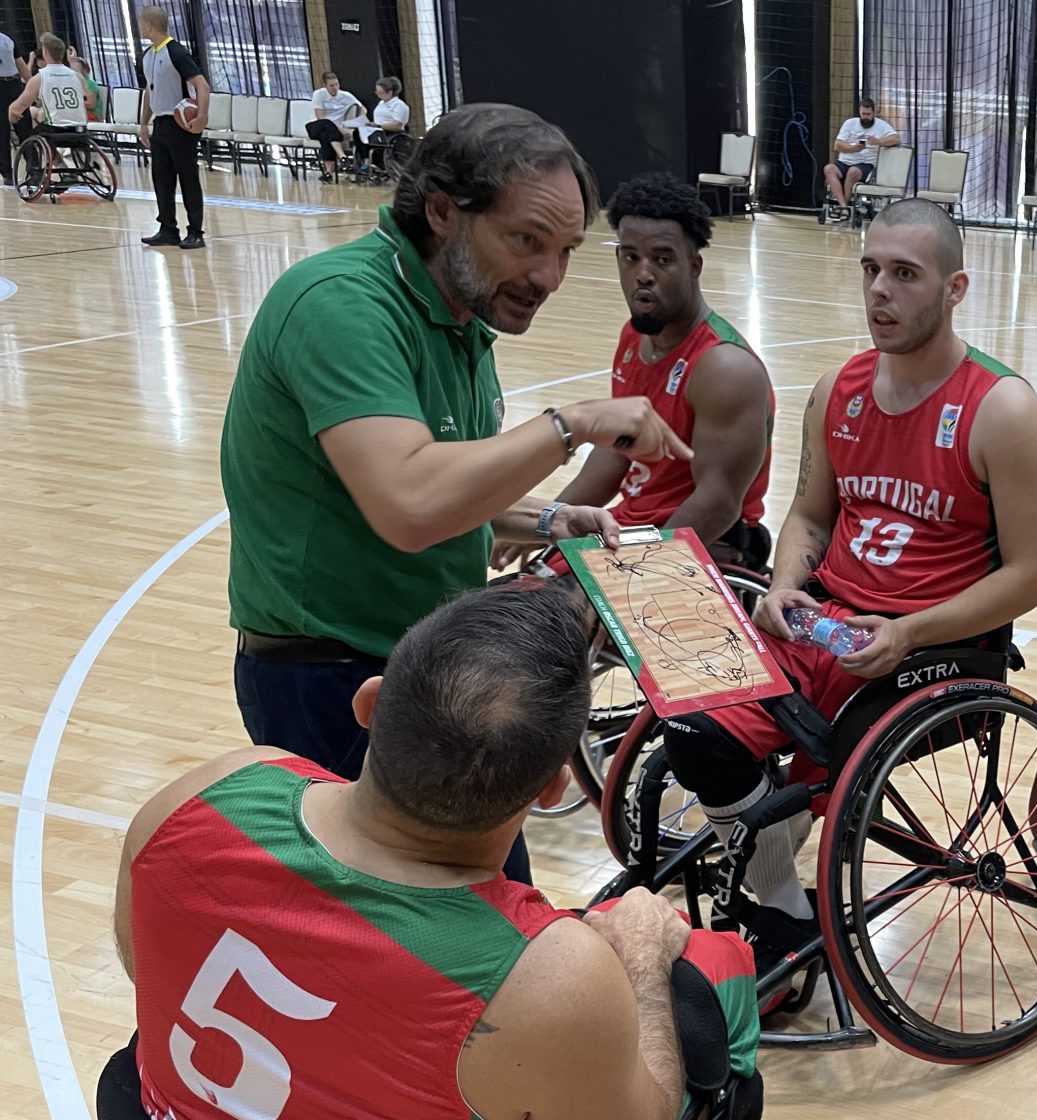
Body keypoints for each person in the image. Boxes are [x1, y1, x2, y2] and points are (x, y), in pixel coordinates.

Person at [114, 579, 762, 1120]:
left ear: (369, 703)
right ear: (553, 788)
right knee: (710, 968)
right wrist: (643, 962)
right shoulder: (546, 979)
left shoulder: (205, 792)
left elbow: (143, 970)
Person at [219, 102, 683, 884]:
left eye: (566, 251)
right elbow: (410, 504)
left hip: (423, 668)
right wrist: (572, 424)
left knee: (488, 905)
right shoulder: (341, 304)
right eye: (526, 241)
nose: (549, 277)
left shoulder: (460, 317)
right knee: (399, 924)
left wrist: (550, 518)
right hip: (328, 678)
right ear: (441, 211)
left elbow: (440, 481)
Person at [661, 198, 1037, 949]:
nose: (880, 290)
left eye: (905, 274)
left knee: (791, 767)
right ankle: (785, 903)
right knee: (690, 726)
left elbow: (1031, 575)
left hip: (927, 652)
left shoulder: (1004, 411)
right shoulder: (835, 390)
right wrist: (784, 584)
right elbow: (809, 516)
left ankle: (770, 879)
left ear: (955, 288)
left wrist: (909, 632)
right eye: (871, 270)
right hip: (826, 622)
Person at [545, 173, 774, 574]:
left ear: (694, 265)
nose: (643, 273)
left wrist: (638, 573)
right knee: (514, 593)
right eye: (630, 257)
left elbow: (718, 503)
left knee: (542, 607)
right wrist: (548, 520)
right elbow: (615, 453)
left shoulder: (724, 368)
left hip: (701, 543)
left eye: (662, 259)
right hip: (630, 529)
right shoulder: (633, 338)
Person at [136, 5, 208, 250]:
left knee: (188, 178)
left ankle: (196, 231)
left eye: (141, 22)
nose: (139, 27)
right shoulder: (147, 55)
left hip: (181, 125)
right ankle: (168, 229)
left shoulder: (176, 52)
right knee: (161, 179)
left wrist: (202, 116)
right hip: (160, 123)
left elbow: (202, 86)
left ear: (148, 25)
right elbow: (149, 91)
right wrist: (143, 123)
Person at [6, 34, 90, 150]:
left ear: (45, 53)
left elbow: (20, 106)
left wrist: (12, 115)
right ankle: (58, 159)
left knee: (30, 132)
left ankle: (51, 159)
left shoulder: (40, 78)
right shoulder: (78, 76)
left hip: (55, 129)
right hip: (80, 129)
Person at [822, 96, 897, 221]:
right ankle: (844, 207)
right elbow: (837, 145)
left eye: (868, 114)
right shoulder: (850, 123)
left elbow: (896, 139)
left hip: (865, 164)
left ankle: (844, 209)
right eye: (863, 114)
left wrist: (879, 141)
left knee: (853, 172)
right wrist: (853, 148)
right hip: (845, 161)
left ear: (874, 113)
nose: (865, 117)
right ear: (859, 112)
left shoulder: (882, 125)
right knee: (829, 169)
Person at [305, 69, 364, 182]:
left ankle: (328, 173)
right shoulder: (318, 94)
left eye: (337, 84)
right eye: (331, 85)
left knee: (325, 137)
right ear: (325, 86)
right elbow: (320, 117)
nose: (335, 88)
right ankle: (342, 156)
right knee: (327, 123)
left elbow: (363, 108)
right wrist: (342, 129)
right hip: (316, 126)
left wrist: (358, 120)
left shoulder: (346, 96)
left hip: (332, 132)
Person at [353, 75, 409, 178]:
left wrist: (379, 125)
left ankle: (369, 163)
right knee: (357, 132)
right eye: (377, 92)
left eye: (380, 93)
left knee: (367, 135)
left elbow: (397, 125)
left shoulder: (400, 105)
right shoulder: (381, 103)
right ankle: (366, 161)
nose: (378, 95)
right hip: (378, 129)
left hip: (391, 132)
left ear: (390, 92)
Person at [0, 29, 23, 187]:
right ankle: (7, 173)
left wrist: (32, 86)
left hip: (14, 83)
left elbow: (20, 63)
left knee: (25, 128)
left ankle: (34, 169)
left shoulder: (8, 38)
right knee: (2, 133)